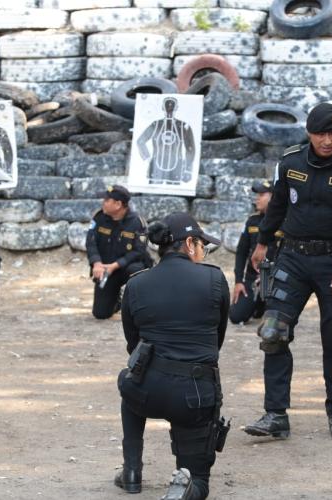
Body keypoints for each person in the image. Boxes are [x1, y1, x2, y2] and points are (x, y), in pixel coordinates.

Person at [243, 103, 332, 440]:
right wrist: (262, 242)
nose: (328, 140)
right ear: (308, 133)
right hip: (292, 256)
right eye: (320, 133)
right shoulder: (290, 161)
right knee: (273, 331)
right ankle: (275, 414)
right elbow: (277, 205)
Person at [116, 212, 229, 500]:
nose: (203, 251)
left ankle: (131, 472)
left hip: (147, 390)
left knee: (128, 379)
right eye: (202, 244)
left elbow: (134, 346)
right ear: (189, 243)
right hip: (195, 395)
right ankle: (186, 485)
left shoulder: (136, 284)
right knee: (199, 479)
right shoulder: (214, 279)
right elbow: (216, 342)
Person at [85, 185, 152, 320]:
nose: (103, 203)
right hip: (106, 269)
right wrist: (96, 263)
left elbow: (139, 251)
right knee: (100, 314)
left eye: (106, 200)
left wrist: (115, 265)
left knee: (137, 270)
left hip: (127, 267)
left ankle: (139, 304)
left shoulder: (137, 222)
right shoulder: (99, 218)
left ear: (118, 204)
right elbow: (91, 243)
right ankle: (117, 301)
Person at [230, 180, 283, 325]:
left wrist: (274, 277)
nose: (257, 198)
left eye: (261, 194)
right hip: (252, 279)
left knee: (275, 321)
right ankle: (257, 303)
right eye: (256, 195)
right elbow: (241, 253)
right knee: (236, 317)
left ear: (274, 197)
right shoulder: (252, 221)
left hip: (275, 280)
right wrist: (239, 282)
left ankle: (263, 303)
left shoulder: (286, 222)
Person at [136, 96, 196, 185]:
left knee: (168, 194)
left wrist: (188, 169)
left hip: (172, 168)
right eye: (168, 106)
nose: (169, 108)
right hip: (161, 167)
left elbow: (190, 148)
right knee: (156, 193)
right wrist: (148, 158)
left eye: (171, 106)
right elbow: (140, 142)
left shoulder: (183, 126)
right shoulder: (156, 124)